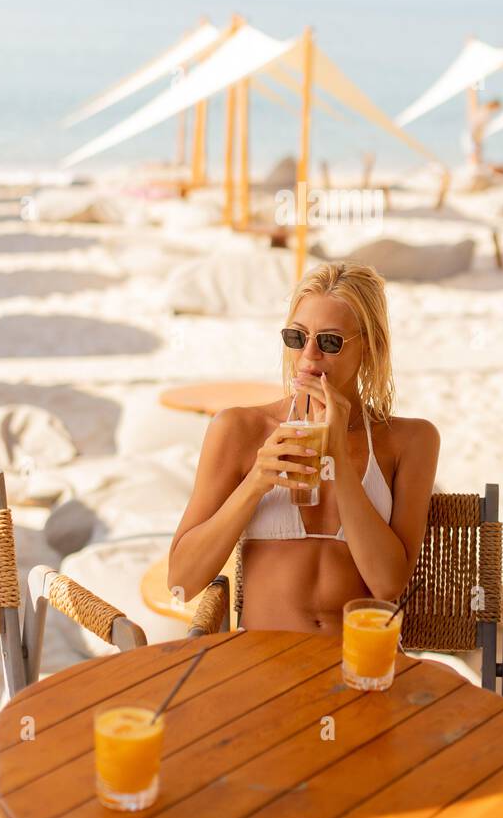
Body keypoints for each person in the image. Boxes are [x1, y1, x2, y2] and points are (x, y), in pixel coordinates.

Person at [168, 261, 440, 635]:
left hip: (360, 665)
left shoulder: (412, 441)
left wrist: (338, 461)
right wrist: (256, 483)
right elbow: (182, 581)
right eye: (297, 337)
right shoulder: (239, 430)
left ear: (371, 345)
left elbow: (387, 584)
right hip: (261, 665)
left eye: (329, 342)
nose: (309, 356)